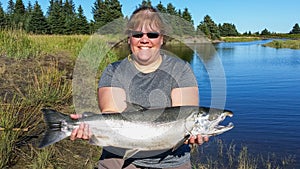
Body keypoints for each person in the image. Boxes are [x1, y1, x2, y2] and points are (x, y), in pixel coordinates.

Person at [70, 6, 209, 169]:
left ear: (161, 38)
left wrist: (192, 132)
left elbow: (185, 111)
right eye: (137, 34)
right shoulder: (113, 70)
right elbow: (111, 112)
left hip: (172, 162)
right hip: (119, 158)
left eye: (152, 34)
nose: (145, 39)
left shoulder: (180, 69)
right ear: (129, 38)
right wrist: (91, 126)